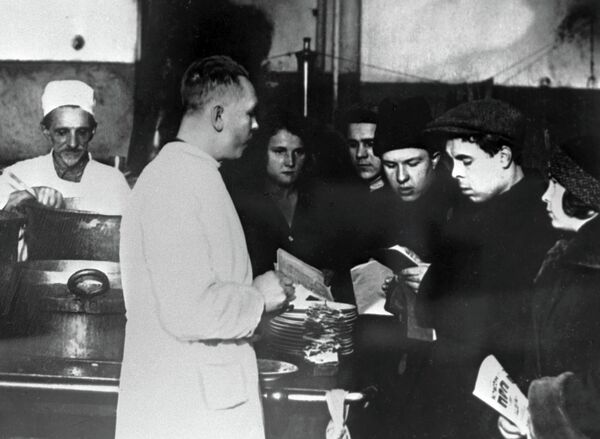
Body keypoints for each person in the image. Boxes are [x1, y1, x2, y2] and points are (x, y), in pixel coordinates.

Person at [115, 56, 294, 439]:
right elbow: (188, 310)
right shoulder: (175, 183)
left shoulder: (194, 174)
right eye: (249, 113)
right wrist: (258, 298)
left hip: (197, 399)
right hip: (187, 408)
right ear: (218, 116)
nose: (255, 125)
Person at [405, 99, 558, 438]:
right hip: (460, 399)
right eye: (451, 162)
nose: (455, 173)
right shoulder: (474, 211)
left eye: (466, 161)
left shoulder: (540, 226)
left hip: (494, 415)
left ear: (503, 157)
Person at [498, 135, 600, 439]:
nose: (545, 196)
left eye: (555, 183)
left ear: (583, 194)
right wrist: (520, 410)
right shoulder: (563, 257)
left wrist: (540, 410)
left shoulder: (585, 267)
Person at [232, 108, 336, 277]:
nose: (290, 162)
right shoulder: (244, 202)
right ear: (262, 153)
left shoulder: (320, 201)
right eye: (280, 152)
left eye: (298, 152)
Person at [0, 80, 129, 215]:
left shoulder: (113, 181)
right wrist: (18, 202)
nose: (73, 144)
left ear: (93, 131)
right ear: (46, 131)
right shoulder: (18, 175)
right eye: (62, 132)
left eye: (82, 132)